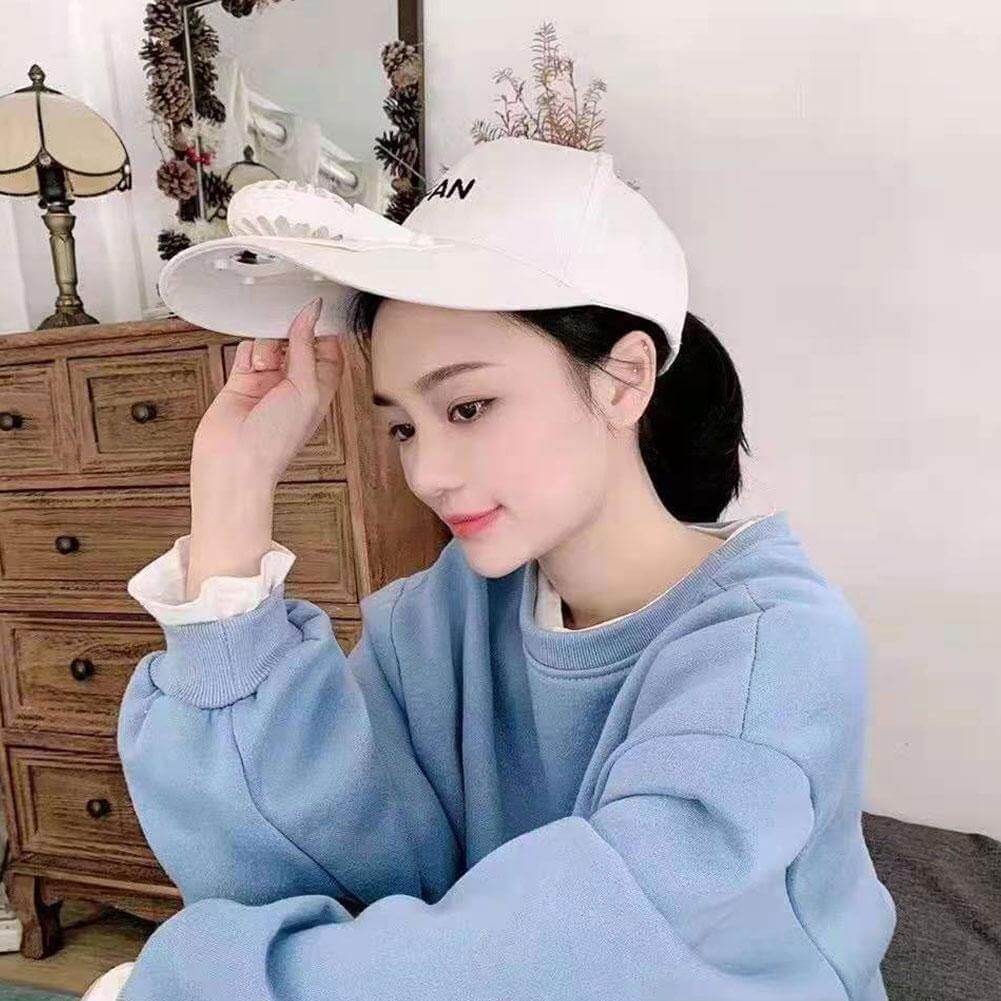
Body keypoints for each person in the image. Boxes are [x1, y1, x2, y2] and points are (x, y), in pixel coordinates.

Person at [86, 137, 896, 999]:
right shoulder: (444, 614)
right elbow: (282, 854)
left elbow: (595, 951)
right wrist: (231, 500)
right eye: (403, 426)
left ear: (623, 379)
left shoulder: (775, 651)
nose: (428, 472)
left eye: (468, 407)